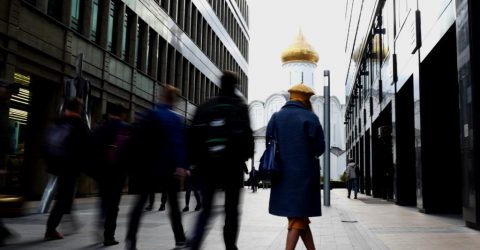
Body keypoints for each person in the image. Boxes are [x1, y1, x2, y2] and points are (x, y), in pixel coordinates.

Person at [188, 71, 254, 250]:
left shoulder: (206, 106)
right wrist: (245, 157)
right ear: (235, 86)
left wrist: (194, 163)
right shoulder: (239, 106)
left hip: (207, 166)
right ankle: (230, 245)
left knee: (207, 208)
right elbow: (248, 137)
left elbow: (192, 135)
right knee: (231, 210)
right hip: (232, 166)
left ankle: (195, 242)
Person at [125, 85, 188, 250]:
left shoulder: (149, 115)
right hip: (168, 167)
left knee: (139, 204)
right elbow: (178, 143)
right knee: (173, 205)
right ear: (173, 100)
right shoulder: (174, 118)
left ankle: (131, 240)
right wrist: (181, 165)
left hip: (147, 167)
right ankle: (180, 239)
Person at [267, 83, 325, 250]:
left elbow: (269, 143)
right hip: (303, 176)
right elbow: (319, 148)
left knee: (298, 218)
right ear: (306, 100)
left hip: (281, 174)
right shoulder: (309, 117)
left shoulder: (276, 116)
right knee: (298, 218)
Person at [44, 98, 90, 241]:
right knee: (64, 197)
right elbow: (87, 146)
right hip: (70, 167)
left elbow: (46, 142)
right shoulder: (79, 124)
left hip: (56, 164)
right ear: (78, 109)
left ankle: (68, 221)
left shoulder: (58, 121)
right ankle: (51, 228)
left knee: (66, 194)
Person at [91, 103, 131, 246]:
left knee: (103, 201)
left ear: (109, 113)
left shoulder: (100, 128)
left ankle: (100, 223)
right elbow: (130, 152)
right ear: (122, 114)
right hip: (118, 173)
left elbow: (91, 150)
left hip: (102, 172)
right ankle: (109, 236)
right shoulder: (126, 129)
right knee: (113, 206)